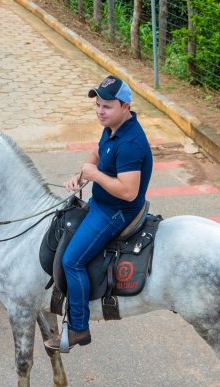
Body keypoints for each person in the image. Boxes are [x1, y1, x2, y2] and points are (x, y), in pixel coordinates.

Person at [45, 76, 153, 352]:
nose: (99, 111)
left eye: (106, 106)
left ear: (125, 106)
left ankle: (79, 328)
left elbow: (128, 192)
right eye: (97, 105)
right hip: (102, 201)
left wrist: (94, 175)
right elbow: (96, 153)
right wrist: (81, 175)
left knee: (72, 261)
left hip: (116, 211)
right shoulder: (112, 128)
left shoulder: (131, 142)